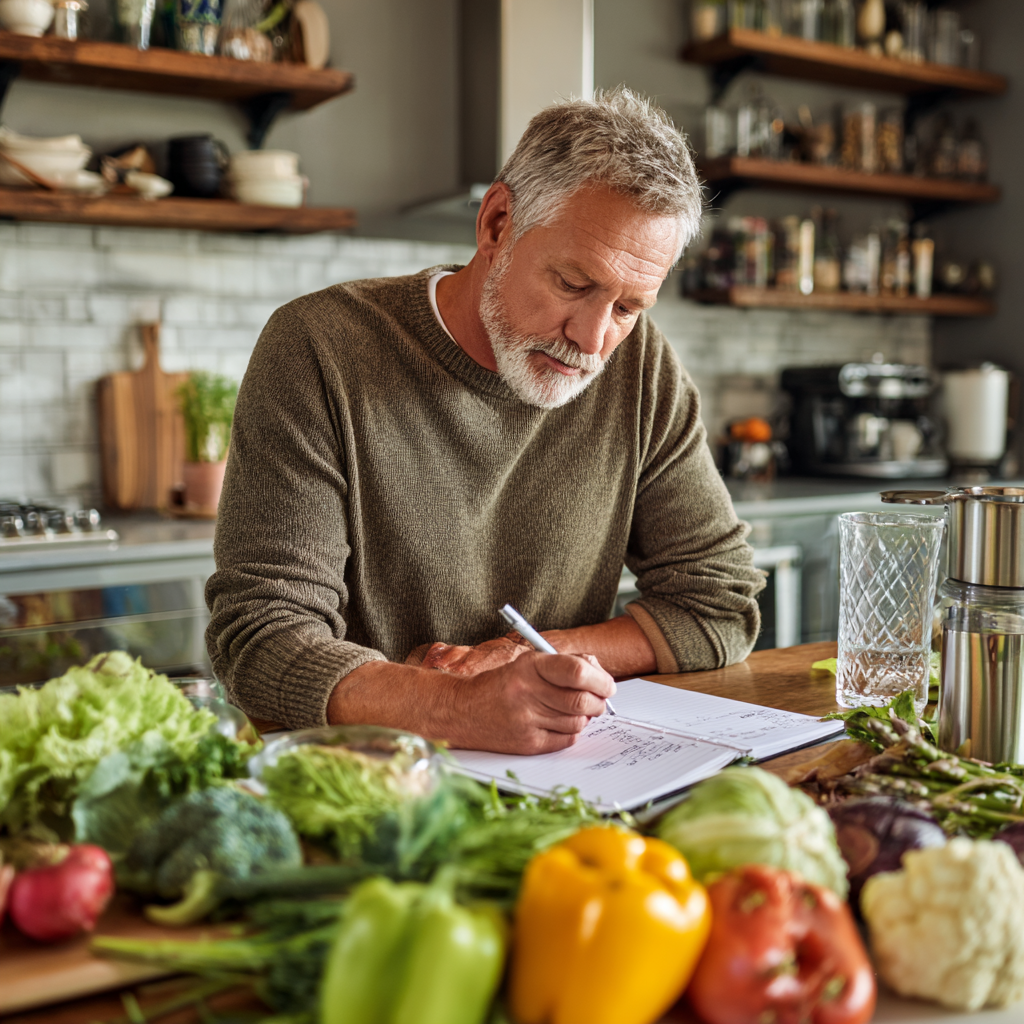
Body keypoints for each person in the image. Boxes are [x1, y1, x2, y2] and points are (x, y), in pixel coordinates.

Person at [206, 87, 765, 754]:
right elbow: (261, 636)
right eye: (573, 284)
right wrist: (452, 706)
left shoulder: (640, 366)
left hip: (572, 778)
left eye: (627, 306)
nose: (592, 340)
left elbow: (720, 602)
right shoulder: (319, 346)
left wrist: (533, 660)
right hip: (369, 780)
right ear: (498, 222)